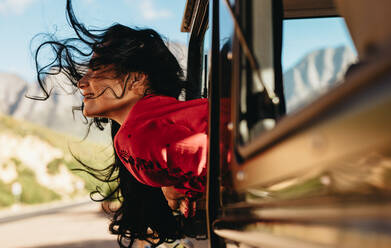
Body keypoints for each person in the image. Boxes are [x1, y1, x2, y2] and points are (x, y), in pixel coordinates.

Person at [33, 0, 207, 247]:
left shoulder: (136, 137)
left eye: (98, 68)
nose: (82, 82)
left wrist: (184, 187)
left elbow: (226, 157)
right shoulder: (156, 122)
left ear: (137, 79)